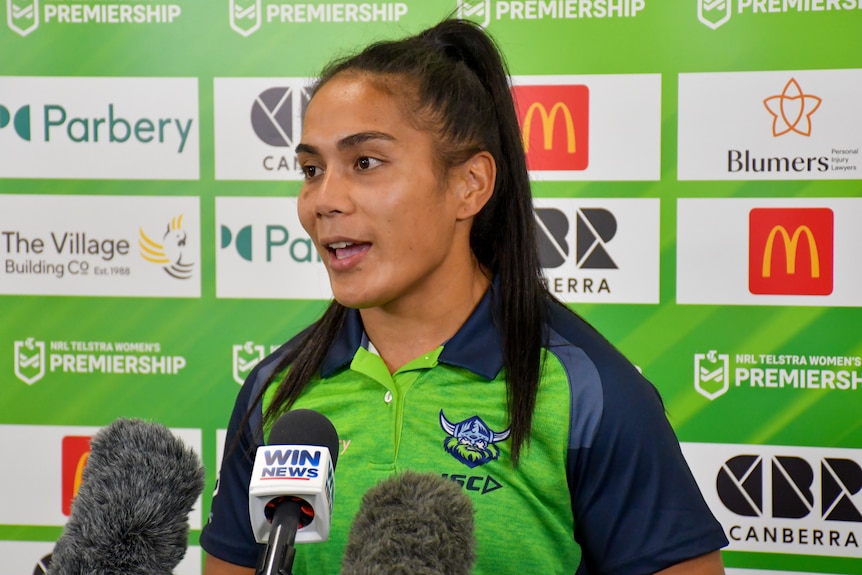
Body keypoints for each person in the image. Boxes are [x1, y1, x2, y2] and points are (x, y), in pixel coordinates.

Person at [200, 18, 729, 575]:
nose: (322, 200)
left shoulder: (589, 391)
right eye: (312, 169)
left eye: (366, 163)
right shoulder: (279, 391)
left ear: (470, 184)